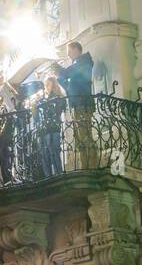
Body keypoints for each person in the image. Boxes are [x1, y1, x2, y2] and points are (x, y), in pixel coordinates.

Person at [57, 41, 97, 170]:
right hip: (76, 104)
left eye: (69, 51)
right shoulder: (77, 65)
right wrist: (59, 78)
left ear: (76, 49)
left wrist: (57, 69)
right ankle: (85, 166)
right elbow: (69, 88)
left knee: (85, 135)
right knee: (79, 137)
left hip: (83, 104)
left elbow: (67, 73)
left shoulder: (84, 61)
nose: (68, 54)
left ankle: (91, 166)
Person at [35, 74, 66, 178]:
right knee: (44, 154)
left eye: (48, 84)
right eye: (45, 85)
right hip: (43, 129)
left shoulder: (58, 97)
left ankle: (59, 175)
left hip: (54, 128)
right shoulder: (42, 99)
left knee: (54, 152)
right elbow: (36, 116)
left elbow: (57, 111)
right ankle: (48, 176)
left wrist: (45, 100)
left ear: (53, 84)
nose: (46, 86)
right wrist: (36, 103)